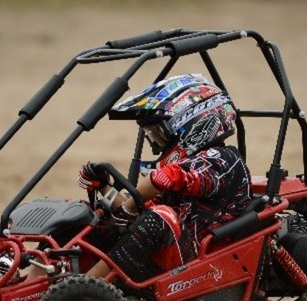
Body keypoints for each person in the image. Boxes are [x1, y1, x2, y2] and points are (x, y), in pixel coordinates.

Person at [78, 74, 252, 283]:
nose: (155, 145)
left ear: (196, 125)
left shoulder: (223, 159)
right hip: (170, 258)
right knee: (85, 214)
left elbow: (163, 179)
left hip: (204, 267)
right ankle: (39, 283)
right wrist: (105, 188)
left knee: (160, 219)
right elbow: (137, 210)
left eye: (158, 134)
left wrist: (129, 208)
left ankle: (87, 288)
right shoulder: (187, 168)